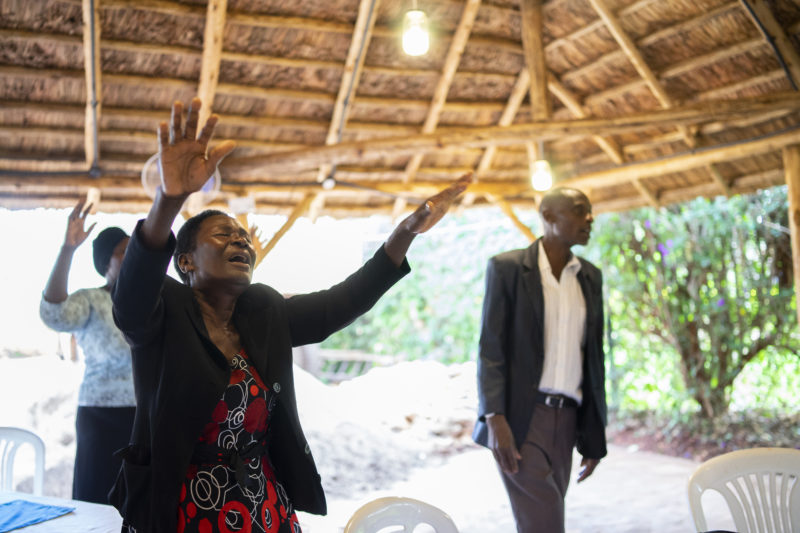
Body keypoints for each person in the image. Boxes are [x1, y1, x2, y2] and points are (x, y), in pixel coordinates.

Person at [109, 97, 470, 533]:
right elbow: (132, 291)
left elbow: (340, 304)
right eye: (224, 235)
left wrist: (402, 236)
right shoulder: (163, 310)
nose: (241, 242)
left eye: (244, 237)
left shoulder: (263, 311)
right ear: (185, 261)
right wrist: (168, 199)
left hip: (262, 501)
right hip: (181, 507)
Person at [472, 187, 607, 533]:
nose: (589, 218)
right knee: (545, 522)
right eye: (579, 210)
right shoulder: (507, 269)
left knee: (542, 519)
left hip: (569, 421)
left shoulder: (590, 277)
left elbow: (593, 361)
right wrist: (495, 418)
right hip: (521, 420)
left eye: (590, 211)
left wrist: (594, 434)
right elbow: (491, 348)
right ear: (548, 217)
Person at [39, 200, 135, 504]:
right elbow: (53, 314)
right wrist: (67, 250)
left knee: (141, 502)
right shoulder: (92, 300)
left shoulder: (159, 302)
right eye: (124, 251)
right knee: (97, 499)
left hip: (146, 416)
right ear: (106, 263)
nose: (134, 256)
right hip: (100, 415)